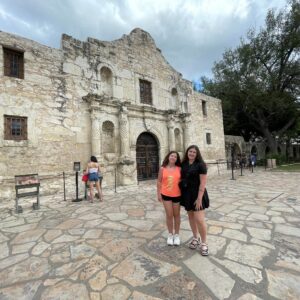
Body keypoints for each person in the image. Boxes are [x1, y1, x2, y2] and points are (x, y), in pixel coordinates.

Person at [180, 145, 209, 256]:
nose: (191, 153)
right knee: (191, 217)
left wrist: (199, 199)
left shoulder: (201, 165)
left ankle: (204, 243)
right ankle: (195, 238)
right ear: (187, 152)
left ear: (197, 154)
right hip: (187, 194)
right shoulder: (184, 164)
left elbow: (203, 183)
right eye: (190, 151)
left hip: (198, 194)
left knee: (200, 220)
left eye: (194, 152)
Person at [157, 151, 182, 246]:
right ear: (168, 157)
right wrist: (158, 194)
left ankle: (177, 235)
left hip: (177, 195)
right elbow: (159, 182)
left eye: (175, 157)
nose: (173, 157)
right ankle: (170, 234)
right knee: (169, 215)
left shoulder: (180, 169)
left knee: (177, 215)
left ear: (177, 159)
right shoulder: (162, 168)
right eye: (172, 155)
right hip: (166, 195)